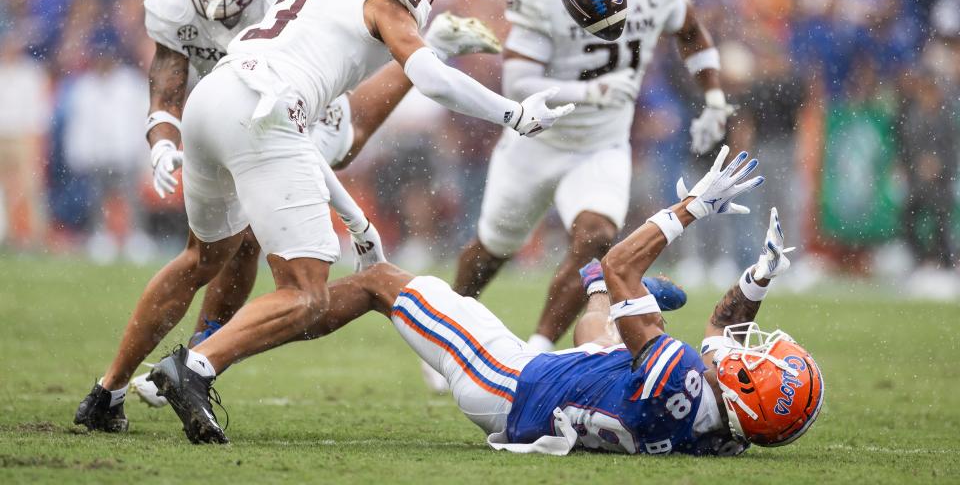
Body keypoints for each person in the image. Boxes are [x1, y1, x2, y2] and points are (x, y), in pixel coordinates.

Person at [139, 0, 572, 444]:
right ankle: (194, 366)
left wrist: (359, 225)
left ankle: (134, 380)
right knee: (305, 292)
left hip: (215, 102)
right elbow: (430, 81)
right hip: (267, 111)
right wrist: (515, 113)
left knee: (209, 255)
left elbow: (305, 141)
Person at [301, 147, 823, 455]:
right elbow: (722, 332)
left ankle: (244, 335)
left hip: (505, 382)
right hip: (551, 398)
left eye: (760, 357)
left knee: (383, 282)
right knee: (605, 342)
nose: (753, 346)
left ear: (749, 384)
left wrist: (691, 207)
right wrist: (758, 280)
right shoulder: (725, 430)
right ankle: (598, 293)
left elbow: (623, 263)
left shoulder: (681, 375)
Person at [451, 0, 733, 360]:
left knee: (598, 237)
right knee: (495, 246)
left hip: (602, 144)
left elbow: (689, 29)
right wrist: (590, 91)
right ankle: (447, 326)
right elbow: (518, 83)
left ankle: (534, 351)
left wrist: (714, 98)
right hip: (535, 140)